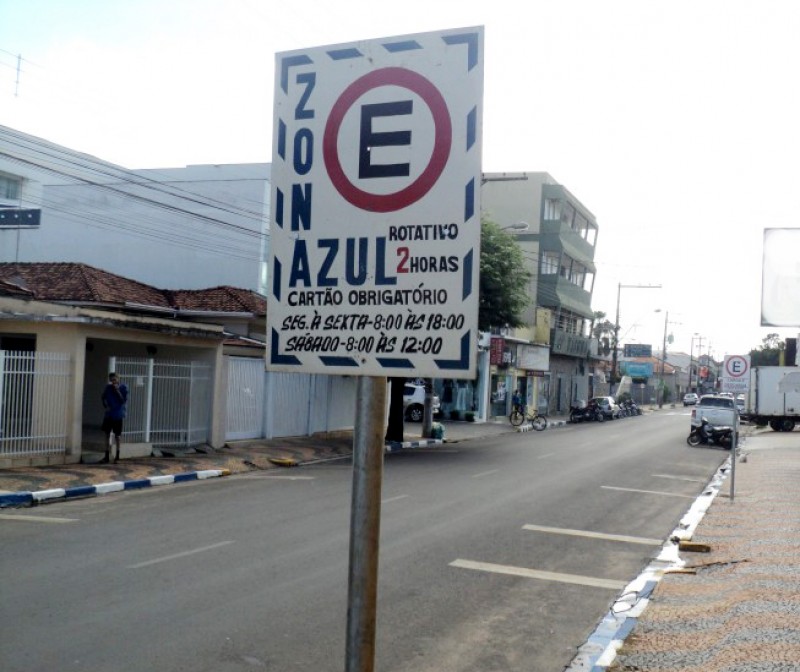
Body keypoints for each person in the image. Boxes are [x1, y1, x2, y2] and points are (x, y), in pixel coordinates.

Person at [101, 372, 128, 463]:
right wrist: (105, 406)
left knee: (117, 435)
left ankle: (117, 456)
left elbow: (123, 400)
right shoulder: (108, 388)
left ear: (118, 379)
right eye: (111, 380)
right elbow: (103, 397)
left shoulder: (123, 387)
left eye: (114, 380)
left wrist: (117, 391)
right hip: (109, 414)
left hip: (118, 414)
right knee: (106, 434)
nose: (113, 382)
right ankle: (106, 456)